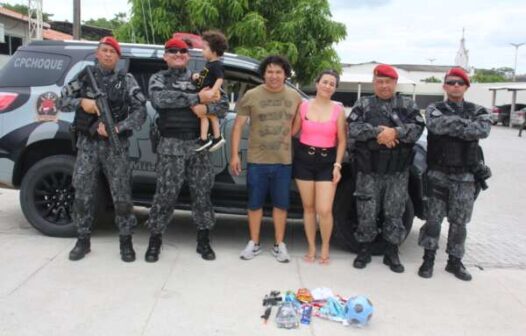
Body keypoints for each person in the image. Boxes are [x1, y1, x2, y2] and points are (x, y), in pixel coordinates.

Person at [59, 36, 146, 262]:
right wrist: (82, 103)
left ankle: (126, 241)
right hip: (88, 144)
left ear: (118, 57)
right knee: (83, 192)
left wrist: (118, 128)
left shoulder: (126, 80)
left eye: (113, 51)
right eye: (104, 50)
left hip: (115, 147)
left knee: (122, 196)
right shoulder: (86, 77)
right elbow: (62, 100)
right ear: (97, 53)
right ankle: (82, 240)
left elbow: (140, 111)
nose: (108, 54)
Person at [144, 37, 228, 262]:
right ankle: (155, 239)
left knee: (202, 194)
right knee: (165, 194)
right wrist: (196, 97)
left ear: (189, 56)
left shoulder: (201, 78)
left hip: (198, 145)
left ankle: (204, 240)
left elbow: (223, 104)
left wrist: (205, 107)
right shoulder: (158, 78)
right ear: (165, 56)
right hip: (170, 145)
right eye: (173, 51)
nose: (178, 54)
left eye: (183, 51)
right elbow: (159, 99)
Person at [348, 64, 424, 273]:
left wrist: (396, 132)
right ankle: (364, 249)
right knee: (366, 211)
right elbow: (352, 128)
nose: (384, 86)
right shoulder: (363, 104)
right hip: (368, 170)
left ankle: (392, 252)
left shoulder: (407, 105)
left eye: (388, 82)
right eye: (379, 82)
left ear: (395, 83)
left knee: (395, 211)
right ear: (374, 83)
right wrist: (379, 132)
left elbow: (418, 129)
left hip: (397, 172)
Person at [418, 67, 491, 281]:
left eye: (460, 83)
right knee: (433, 220)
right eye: (451, 82)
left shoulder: (478, 110)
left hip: (465, 177)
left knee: (459, 223)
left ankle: (454, 262)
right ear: (444, 86)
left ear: (467, 86)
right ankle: (428, 259)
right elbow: (435, 125)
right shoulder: (434, 108)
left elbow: (483, 130)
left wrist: (453, 125)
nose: (455, 86)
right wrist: (466, 127)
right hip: (438, 174)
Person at [230, 55, 302, 263]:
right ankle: (254, 243)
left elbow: (298, 123)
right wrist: (234, 155)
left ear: (285, 75)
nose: (274, 76)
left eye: (279, 72)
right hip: (257, 159)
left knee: (281, 204)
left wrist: (288, 134)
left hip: (283, 161)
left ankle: (280, 244)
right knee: (254, 203)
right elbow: (238, 126)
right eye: (270, 71)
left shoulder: (294, 97)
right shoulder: (251, 95)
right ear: (263, 74)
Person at [291, 70, 346, 265]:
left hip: (327, 162)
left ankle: (324, 246)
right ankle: (311, 247)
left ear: (335, 88)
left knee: (324, 209)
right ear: (317, 84)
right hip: (304, 160)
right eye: (325, 82)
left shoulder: (339, 110)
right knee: (308, 208)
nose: (328, 86)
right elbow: (293, 131)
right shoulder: (304, 107)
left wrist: (337, 165)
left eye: (332, 83)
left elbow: (342, 140)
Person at [193, 30, 228, 152]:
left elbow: (220, 78)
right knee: (207, 116)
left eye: (204, 48)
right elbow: (204, 76)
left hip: (209, 96)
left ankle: (214, 137)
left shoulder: (217, 64)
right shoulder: (209, 64)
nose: (202, 51)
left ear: (213, 50)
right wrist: (197, 76)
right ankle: (206, 138)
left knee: (209, 116)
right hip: (204, 95)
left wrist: (213, 90)